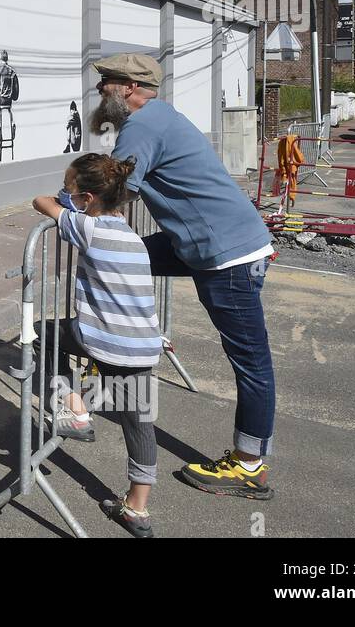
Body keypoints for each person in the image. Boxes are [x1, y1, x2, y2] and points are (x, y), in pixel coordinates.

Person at [91, 53, 277, 500]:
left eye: (107, 84)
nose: (100, 92)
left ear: (130, 88)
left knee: (251, 363)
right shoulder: (158, 116)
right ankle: (114, 351)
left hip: (224, 256)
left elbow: (114, 194)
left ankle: (249, 466)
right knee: (124, 257)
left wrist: (64, 208)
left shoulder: (143, 126)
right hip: (204, 245)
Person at [32, 153, 161, 538]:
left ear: (86, 199)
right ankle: (137, 509)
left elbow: (41, 203)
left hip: (102, 338)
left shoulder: (88, 228)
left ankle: (76, 410)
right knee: (139, 424)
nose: (64, 193)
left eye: (70, 188)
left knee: (43, 333)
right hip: (141, 345)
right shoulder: (129, 232)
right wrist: (72, 193)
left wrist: (60, 197)